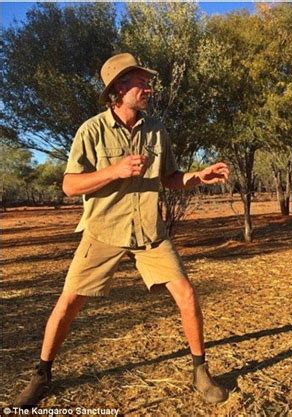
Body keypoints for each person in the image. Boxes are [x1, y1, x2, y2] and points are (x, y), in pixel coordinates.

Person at [15, 53, 230, 407]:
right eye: (140, 82)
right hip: (103, 230)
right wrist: (114, 171)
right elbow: (69, 185)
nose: (148, 87)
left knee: (187, 295)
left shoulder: (156, 129)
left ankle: (200, 371)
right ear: (119, 88)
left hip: (149, 232)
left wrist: (197, 177)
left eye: (147, 81)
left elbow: (170, 178)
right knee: (68, 303)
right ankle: (41, 376)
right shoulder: (92, 130)